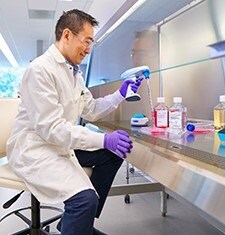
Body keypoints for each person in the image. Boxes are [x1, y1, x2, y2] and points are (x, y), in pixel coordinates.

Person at [6, 9, 143, 235]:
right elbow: (52, 129)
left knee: (116, 152)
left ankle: (79, 223)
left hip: (59, 144)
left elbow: (90, 109)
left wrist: (120, 94)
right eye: (86, 41)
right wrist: (103, 139)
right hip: (34, 149)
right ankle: (80, 214)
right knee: (84, 199)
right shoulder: (40, 70)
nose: (89, 49)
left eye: (92, 42)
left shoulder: (74, 73)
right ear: (67, 35)